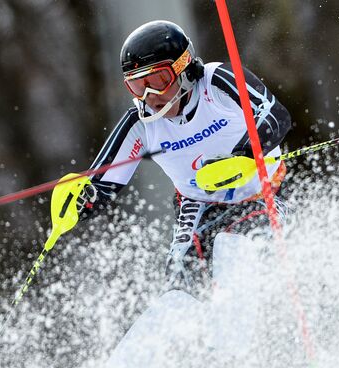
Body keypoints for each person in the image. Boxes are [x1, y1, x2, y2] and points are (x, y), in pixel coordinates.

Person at [76, 20, 292, 364]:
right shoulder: (139, 124)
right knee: (179, 295)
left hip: (260, 196)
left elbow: (276, 117)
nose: (149, 96)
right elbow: (101, 184)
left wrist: (243, 155)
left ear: (185, 69)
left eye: (157, 80)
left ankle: (240, 355)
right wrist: (80, 202)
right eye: (136, 86)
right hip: (198, 208)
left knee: (236, 253)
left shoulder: (217, 81)